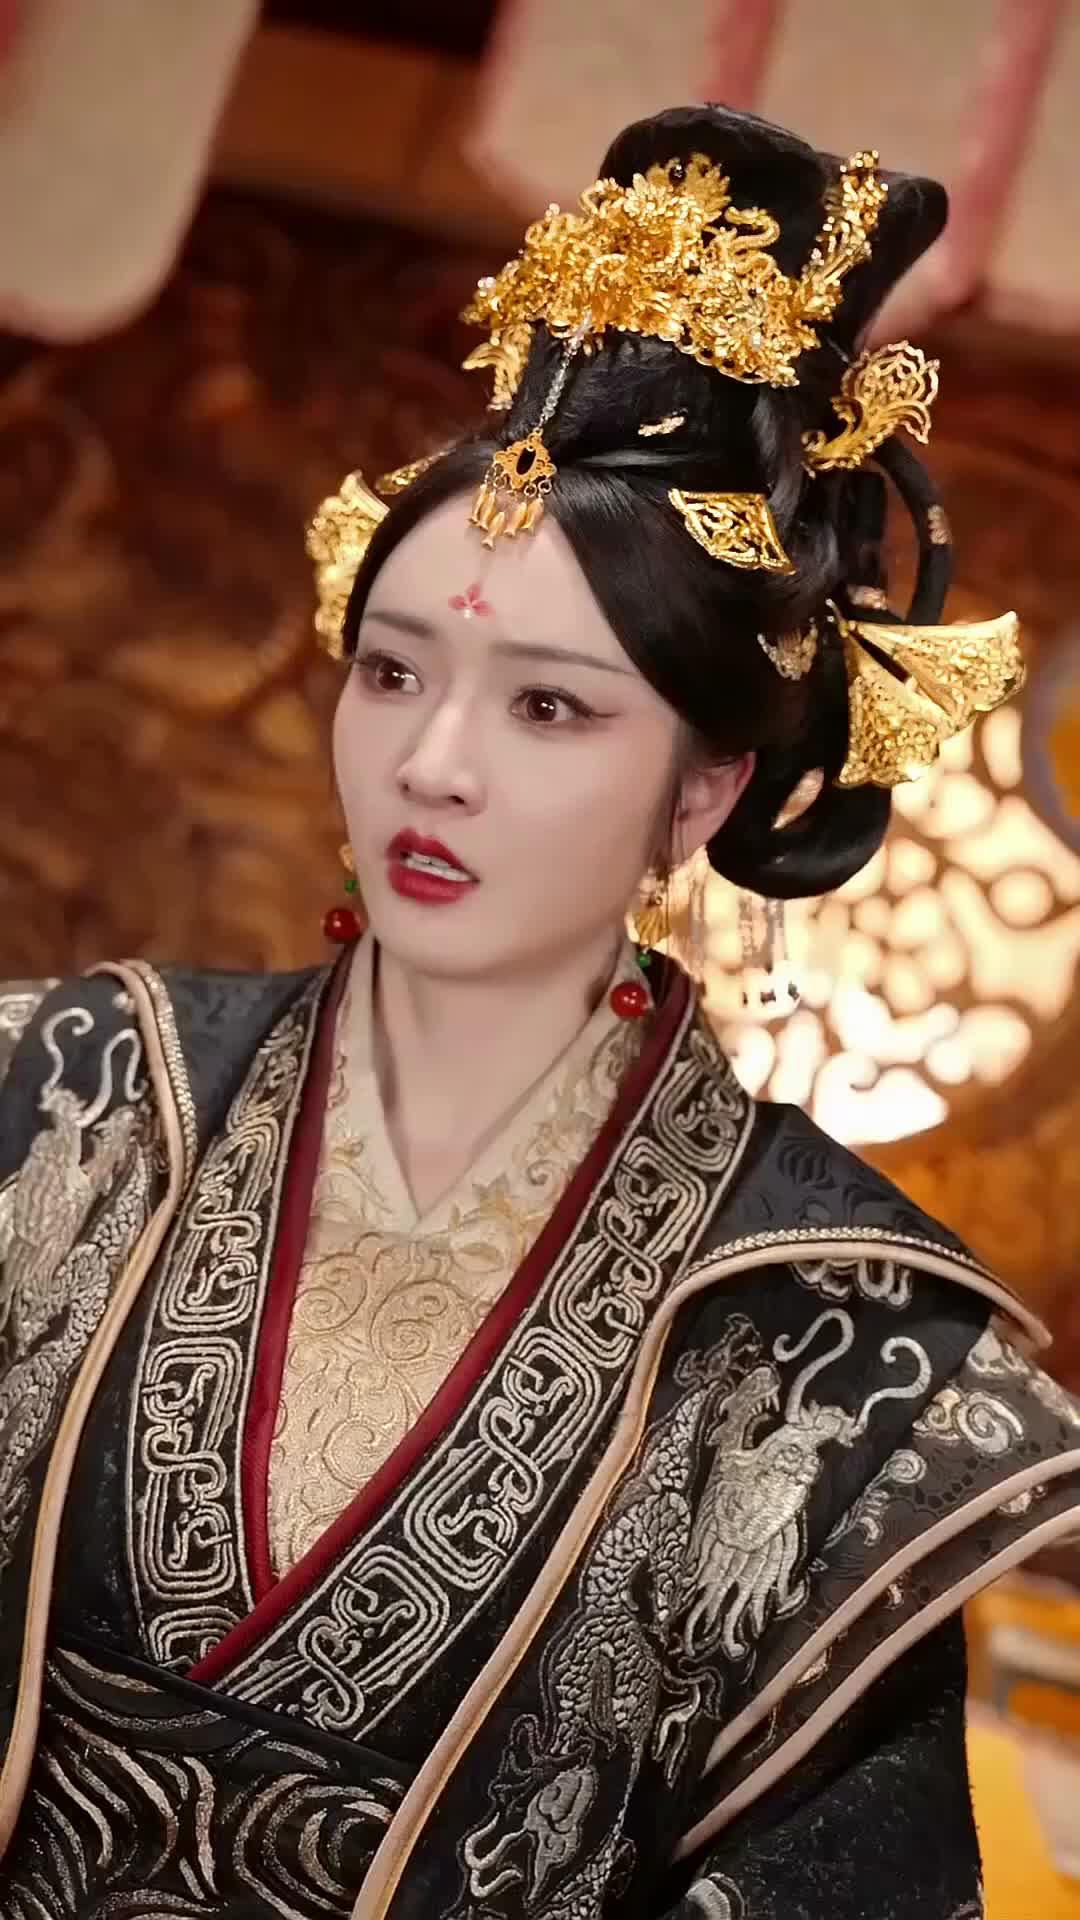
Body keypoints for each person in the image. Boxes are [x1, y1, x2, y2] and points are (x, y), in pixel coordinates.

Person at [0, 102, 1075, 1920]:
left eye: (550, 707)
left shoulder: (839, 1342)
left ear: (706, 788)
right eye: (394, 671)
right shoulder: (67, 1088)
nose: (433, 764)